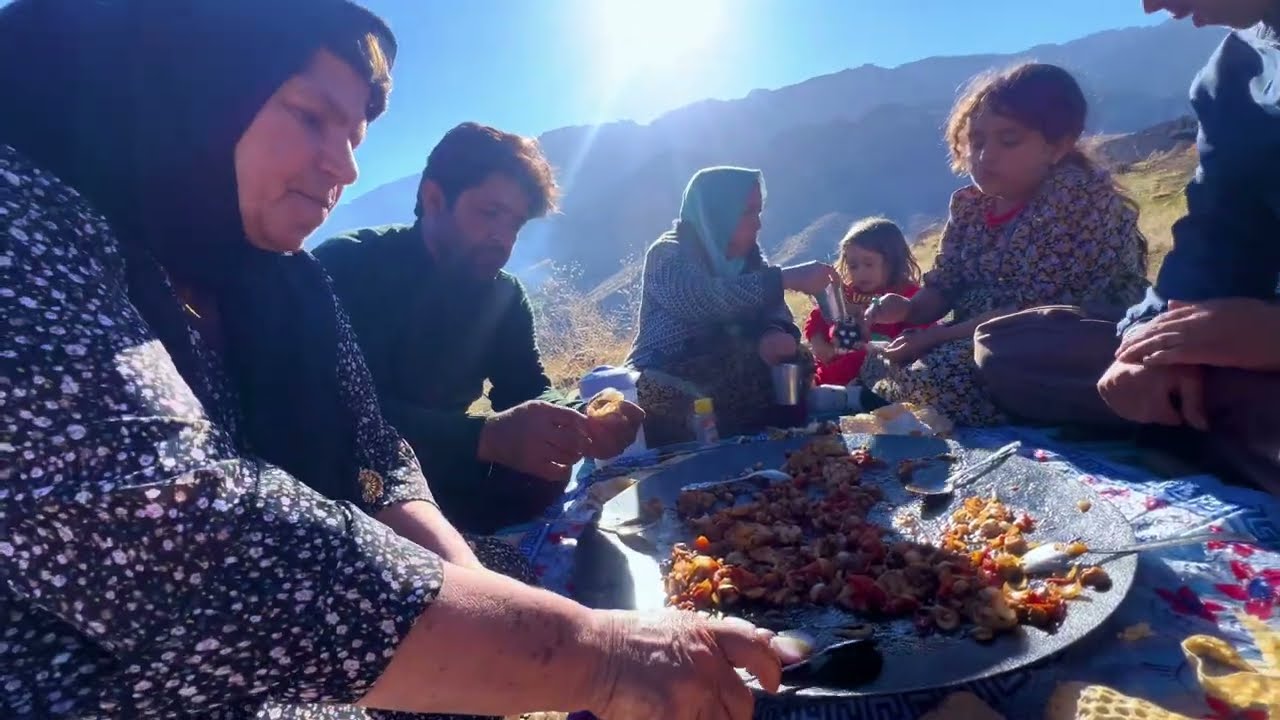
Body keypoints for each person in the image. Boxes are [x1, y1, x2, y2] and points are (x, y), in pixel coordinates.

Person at [0, 1, 784, 718]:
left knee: (593, 576)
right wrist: (598, 656)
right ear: (190, 93)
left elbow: (372, 451)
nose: (343, 167)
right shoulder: (24, 232)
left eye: (355, 139)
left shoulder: (281, 284)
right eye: (311, 116)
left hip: (346, 609)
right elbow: (190, 545)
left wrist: (482, 581)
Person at [974, 0, 1280, 489]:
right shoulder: (1229, 75)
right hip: (1235, 347)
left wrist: (1268, 334)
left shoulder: (1076, 200)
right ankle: (1193, 415)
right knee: (1007, 350)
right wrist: (1148, 342)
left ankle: (1195, 425)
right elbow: (1217, 235)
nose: (1153, 5)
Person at [314, 123, 644, 535]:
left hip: (444, 468)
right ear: (434, 199)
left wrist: (575, 420)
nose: (502, 240)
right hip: (350, 479)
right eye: (489, 214)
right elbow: (324, 415)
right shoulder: (347, 267)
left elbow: (526, 385)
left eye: (515, 225)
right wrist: (483, 438)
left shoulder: (501, 296)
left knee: (545, 472)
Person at [862, 62, 1149, 426]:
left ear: (1057, 146)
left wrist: (934, 337)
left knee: (946, 374)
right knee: (880, 357)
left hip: (1058, 332)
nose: (985, 156)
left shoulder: (1076, 197)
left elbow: (1035, 308)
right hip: (976, 331)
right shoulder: (970, 205)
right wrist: (905, 310)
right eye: (977, 141)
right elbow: (945, 284)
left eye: (1009, 140)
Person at [623, 166, 840, 445]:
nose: (758, 224)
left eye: (758, 212)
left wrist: (774, 332)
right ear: (717, 212)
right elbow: (699, 299)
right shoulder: (668, 253)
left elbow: (777, 312)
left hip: (727, 365)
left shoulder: (750, 259)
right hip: (667, 369)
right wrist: (785, 278)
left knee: (795, 360)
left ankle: (760, 426)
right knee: (671, 399)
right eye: (748, 213)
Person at [805, 217, 927, 388]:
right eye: (853, 266)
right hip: (831, 372)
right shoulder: (847, 293)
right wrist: (819, 344)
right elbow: (818, 316)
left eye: (868, 264)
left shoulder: (908, 295)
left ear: (892, 262)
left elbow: (920, 333)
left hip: (886, 373)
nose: (861, 273)